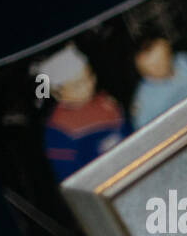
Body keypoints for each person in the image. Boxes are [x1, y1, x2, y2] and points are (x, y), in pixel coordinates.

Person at [34, 44, 128, 182]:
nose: (88, 86)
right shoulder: (58, 131)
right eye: (77, 85)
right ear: (57, 93)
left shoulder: (106, 102)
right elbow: (73, 180)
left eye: (89, 77)